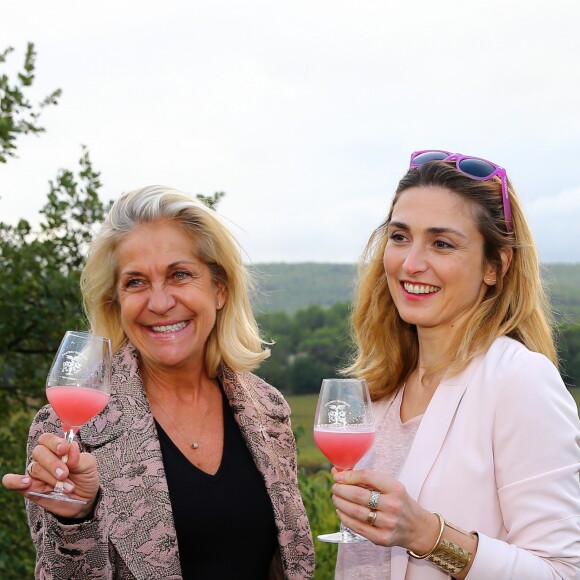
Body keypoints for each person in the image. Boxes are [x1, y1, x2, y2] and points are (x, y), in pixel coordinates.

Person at [2, 185, 315, 579]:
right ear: (116, 302)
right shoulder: (70, 429)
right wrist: (76, 519)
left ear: (219, 288)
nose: (160, 302)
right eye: (135, 282)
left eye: (180, 274)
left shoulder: (268, 410)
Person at [331, 150, 580, 579]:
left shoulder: (520, 381)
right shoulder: (382, 387)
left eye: (442, 243)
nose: (411, 264)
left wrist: (428, 535)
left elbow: (562, 572)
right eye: (400, 237)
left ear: (494, 266)